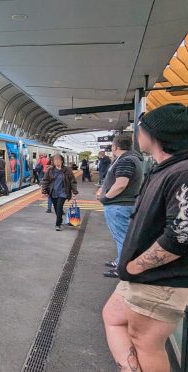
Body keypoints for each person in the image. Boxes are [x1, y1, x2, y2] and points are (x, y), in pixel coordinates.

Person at [102, 103, 188, 372]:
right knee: (113, 317)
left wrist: (135, 265)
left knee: (146, 343)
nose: (138, 134)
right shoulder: (166, 168)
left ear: (155, 135)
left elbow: (181, 235)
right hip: (141, 278)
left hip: (158, 280)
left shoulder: (181, 172)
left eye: (142, 128)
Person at [97, 135, 143, 278]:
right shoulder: (130, 159)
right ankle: (119, 262)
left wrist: (105, 198)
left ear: (115, 147)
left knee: (122, 238)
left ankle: (122, 268)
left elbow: (121, 184)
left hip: (119, 206)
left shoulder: (126, 160)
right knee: (122, 236)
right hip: (122, 205)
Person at [41, 154, 78, 231]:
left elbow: (73, 181)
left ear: (62, 161)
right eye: (55, 160)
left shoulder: (67, 170)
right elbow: (45, 181)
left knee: (59, 207)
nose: (56, 162)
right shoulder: (50, 170)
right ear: (53, 162)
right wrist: (44, 191)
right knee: (56, 208)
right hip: (53, 192)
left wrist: (74, 192)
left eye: (58, 160)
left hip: (63, 192)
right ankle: (60, 219)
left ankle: (57, 225)